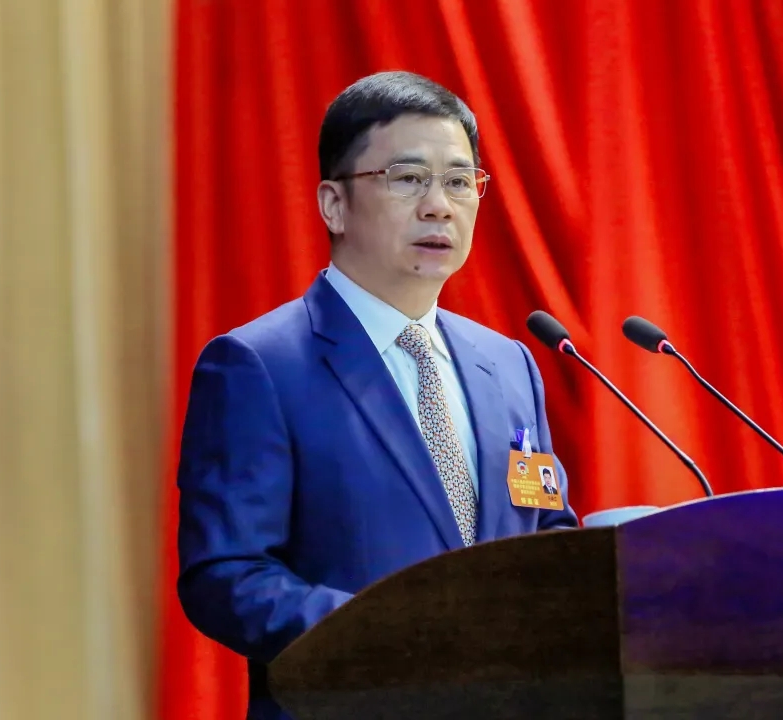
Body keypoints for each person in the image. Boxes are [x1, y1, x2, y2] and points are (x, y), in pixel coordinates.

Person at [175, 71, 578, 720]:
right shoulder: (259, 366)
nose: (439, 206)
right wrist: (394, 637)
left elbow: (544, 527)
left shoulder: (508, 365)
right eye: (407, 178)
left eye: (459, 182)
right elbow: (226, 574)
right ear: (333, 204)